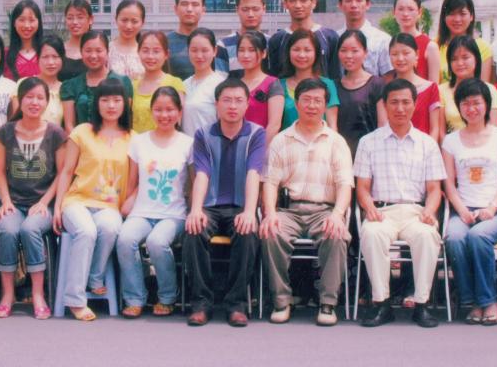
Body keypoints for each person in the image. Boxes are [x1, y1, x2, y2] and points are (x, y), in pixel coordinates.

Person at [354, 78, 445, 328]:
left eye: (406, 102)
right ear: (384, 105)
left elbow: (434, 190)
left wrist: (429, 211)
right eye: (394, 102)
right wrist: (369, 207)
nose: (400, 108)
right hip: (382, 211)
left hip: (416, 211)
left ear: (415, 105)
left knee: (427, 235)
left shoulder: (427, 143)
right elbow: (362, 188)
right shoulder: (368, 142)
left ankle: (421, 304)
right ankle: (381, 304)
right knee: (372, 234)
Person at [261, 78, 353, 326]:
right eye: (306, 100)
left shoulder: (336, 141)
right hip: (289, 210)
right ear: (296, 102)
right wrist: (270, 213)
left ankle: (328, 303)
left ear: (325, 105)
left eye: (317, 101)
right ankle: (281, 301)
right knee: (271, 232)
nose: (312, 105)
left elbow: (345, 184)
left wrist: (337, 215)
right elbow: (270, 182)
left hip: (324, 210)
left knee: (336, 234)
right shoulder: (281, 139)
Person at [184, 78, 265, 327]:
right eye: (227, 100)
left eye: (239, 100)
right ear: (217, 104)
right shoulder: (203, 134)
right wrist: (196, 210)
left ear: (247, 104)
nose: (232, 106)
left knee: (247, 231)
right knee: (193, 229)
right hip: (210, 206)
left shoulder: (256, 134)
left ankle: (236, 304)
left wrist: (250, 211)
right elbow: (202, 173)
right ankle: (201, 303)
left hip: (240, 205)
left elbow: (253, 173)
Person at [53, 78, 133, 321]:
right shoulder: (82, 132)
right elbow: (66, 171)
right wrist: (57, 207)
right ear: (97, 104)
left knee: (110, 228)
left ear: (125, 104)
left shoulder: (133, 138)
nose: (111, 105)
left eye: (117, 100)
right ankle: (75, 300)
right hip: (77, 201)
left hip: (110, 205)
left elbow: (136, 179)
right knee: (86, 232)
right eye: (105, 100)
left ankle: (95, 277)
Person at [442, 79, 497, 325]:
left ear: (487, 105)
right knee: (454, 237)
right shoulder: (451, 141)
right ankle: (471, 300)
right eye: (465, 104)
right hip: (464, 210)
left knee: (478, 236)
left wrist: (492, 207)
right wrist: (462, 210)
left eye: (476, 103)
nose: (471, 108)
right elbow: (449, 183)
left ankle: (489, 301)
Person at [0, 77, 67, 319]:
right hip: (13, 201)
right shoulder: (5, 132)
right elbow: (0, 172)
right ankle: (8, 294)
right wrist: (5, 201)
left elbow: (62, 174)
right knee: (8, 230)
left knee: (29, 230)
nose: (34, 102)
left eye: (40, 98)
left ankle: (38, 294)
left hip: (43, 203)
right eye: (29, 97)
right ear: (20, 100)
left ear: (47, 102)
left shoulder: (56, 133)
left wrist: (45, 202)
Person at [118, 87, 193, 317]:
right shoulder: (138, 142)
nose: (164, 115)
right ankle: (135, 298)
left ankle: (168, 296)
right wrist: (127, 203)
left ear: (180, 113)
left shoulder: (188, 143)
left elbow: (193, 184)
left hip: (174, 215)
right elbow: (132, 181)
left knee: (157, 242)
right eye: (159, 110)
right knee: (125, 239)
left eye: (170, 110)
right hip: (142, 212)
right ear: (151, 111)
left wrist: (194, 212)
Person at [267, 0, 340, 82]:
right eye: (292, 0)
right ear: (285, 4)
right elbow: (274, 79)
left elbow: (336, 76)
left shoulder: (330, 37)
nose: (298, 5)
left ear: (313, 3)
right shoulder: (277, 39)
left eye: (303, 0)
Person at [61, 30, 134, 131]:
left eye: (99, 51)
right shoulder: (71, 85)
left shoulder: (122, 82)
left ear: (107, 52)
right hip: (80, 139)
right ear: (81, 52)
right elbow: (69, 125)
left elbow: (125, 120)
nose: (93, 56)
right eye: (88, 51)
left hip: (115, 139)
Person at [334, 30, 386, 155]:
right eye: (343, 50)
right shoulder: (333, 86)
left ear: (365, 53)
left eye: (354, 51)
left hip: (370, 153)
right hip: (341, 154)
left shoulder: (377, 84)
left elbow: (383, 125)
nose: (349, 56)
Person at [382, 33, 442, 141]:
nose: (400, 58)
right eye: (394, 54)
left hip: (423, 148)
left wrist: (429, 149)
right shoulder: (384, 87)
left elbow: (434, 128)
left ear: (417, 54)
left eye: (406, 53)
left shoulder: (430, 88)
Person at [279, 29, 339, 131]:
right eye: (296, 49)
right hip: (288, 140)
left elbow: (332, 125)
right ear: (288, 52)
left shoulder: (327, 84)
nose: (301, 55)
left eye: (307, 50)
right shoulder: (279, 85)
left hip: (321, 140)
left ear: (316, 53)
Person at [440, 35, 497, 135]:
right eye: (454, 59)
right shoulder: (441, 90)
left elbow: (493, 128)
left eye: (465, 57)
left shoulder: (490, 89)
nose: (460, 63)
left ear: (476, 58)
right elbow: (441, 132)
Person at [166, 0, 228, 78]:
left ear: (203, 10)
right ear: (176, 9)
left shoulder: (211, 43)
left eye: (195, 4)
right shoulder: (165, 42)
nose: (189, 9)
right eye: (184, 4)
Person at [131, 30, 186, 133]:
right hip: (137, 142)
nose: (150, 56)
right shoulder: (133, 85)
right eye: (145, 51)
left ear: (166, 54)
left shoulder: (175, 83)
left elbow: (177, 122)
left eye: (156, 51)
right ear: (138, 52)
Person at [336, 0, 392, 76]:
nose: (354, 5)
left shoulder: (382, 40)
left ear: (368, 4)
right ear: (340, 5)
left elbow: (388, 77)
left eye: (359, 0)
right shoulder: (335, 38)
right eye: (348, 0)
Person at [435, 0, 493, 83]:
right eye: (452, 14)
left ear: (471, 16)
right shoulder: (435, 46)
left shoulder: (482, 47)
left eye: (462, 14)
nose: (457, 19)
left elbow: (483, 85)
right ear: (444, 17)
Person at [237, 29, 284, 144]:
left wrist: (258, 150)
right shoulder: (234, 84)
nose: (246, 55)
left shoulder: (272, 83)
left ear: (264, 53)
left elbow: (274, 125)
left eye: (252, 50)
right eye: (241, 50)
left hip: (262, 148)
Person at [181, 28, 228, 136]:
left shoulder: (221, 85)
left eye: (204, 50)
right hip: (186, 145)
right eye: (194, 50)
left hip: (210, 145)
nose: (199, 56)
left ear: (214, 51)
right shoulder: (184, 85)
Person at [391, 0, 440, 82]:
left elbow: (434, 85)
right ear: (393, 12)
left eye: (410, 9)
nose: (405, 14)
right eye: (401, 9)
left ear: (419, 12)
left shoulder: (430, 46)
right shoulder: (391, 44)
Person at [221, 0, 268, 73]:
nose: (250, 14)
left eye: (255, 9)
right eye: (245, 9)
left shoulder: (272, 43)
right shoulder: (224, 45)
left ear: (264, 9)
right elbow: (220, 78)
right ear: (237, 10)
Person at [109, 0, 146, 80]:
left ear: (143, 22)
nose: (128, 26)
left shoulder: (147, 52)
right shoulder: (107, 51)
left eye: (134, 21)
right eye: (124, 20)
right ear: (116, 19)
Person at [6, 0, 43, 80]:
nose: (26, 25)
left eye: (31, 20)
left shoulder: (46, 53)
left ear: (39, 22)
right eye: (22, 20)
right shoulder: (4, 55)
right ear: (14, 23)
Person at [36, 34, 67, 126]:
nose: (50, 62)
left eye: (55, 57)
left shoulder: (66, 89)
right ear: (37, 59)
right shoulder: (25, 84)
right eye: (45, 57)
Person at [60, 0, 94, 81]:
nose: (74, 22)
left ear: (90, 19)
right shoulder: (59, 50)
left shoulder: (98, 50)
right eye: (70, 18)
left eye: (80, 17)